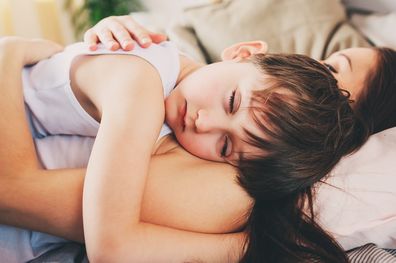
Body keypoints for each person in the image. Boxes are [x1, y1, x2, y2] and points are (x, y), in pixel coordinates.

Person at [1, 16, 394, 262]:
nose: (203, 123)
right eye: (328, 67)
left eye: (225, 148)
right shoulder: (144, 87)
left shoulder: (215, 149)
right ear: (244, 52)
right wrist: (11, 52)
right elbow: (110, 246)